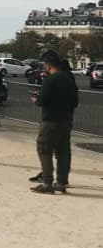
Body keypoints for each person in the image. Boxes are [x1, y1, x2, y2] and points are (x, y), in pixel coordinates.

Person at [29, 51, 78, 194]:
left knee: (44, 149)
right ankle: (61, 182)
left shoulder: (50, 80)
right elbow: (75, 101)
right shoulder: (69, 79)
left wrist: (36, 100)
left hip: (50, 120)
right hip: (66, 120)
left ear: (48, 65)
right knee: (63, 151)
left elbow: (42, 101)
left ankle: (47, 182)